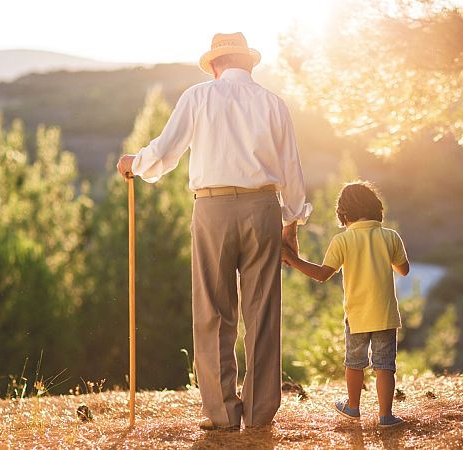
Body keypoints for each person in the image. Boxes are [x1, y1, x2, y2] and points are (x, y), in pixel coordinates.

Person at [116, 32, 311, 431]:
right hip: (264, 209)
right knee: (263, 312)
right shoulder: (274, 103)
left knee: (213, 311)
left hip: (212, 208)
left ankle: (222, 414)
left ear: (216, 64)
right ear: (249, 63)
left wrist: (135, 163)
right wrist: (291, 225)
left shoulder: (198, 97)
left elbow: (166, 152)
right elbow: (292, 169)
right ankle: (259, 415)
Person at [281, 181, 409, 428]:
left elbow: (321, 275)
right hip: (385, 314)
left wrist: (292, 259)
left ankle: (352, 406)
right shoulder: (390, 236)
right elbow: (403, 270)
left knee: (354, 363)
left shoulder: (342, 241)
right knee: (385, 365)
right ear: (376, 209)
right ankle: (386, 416)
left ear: (344, 214)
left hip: (358, 315)